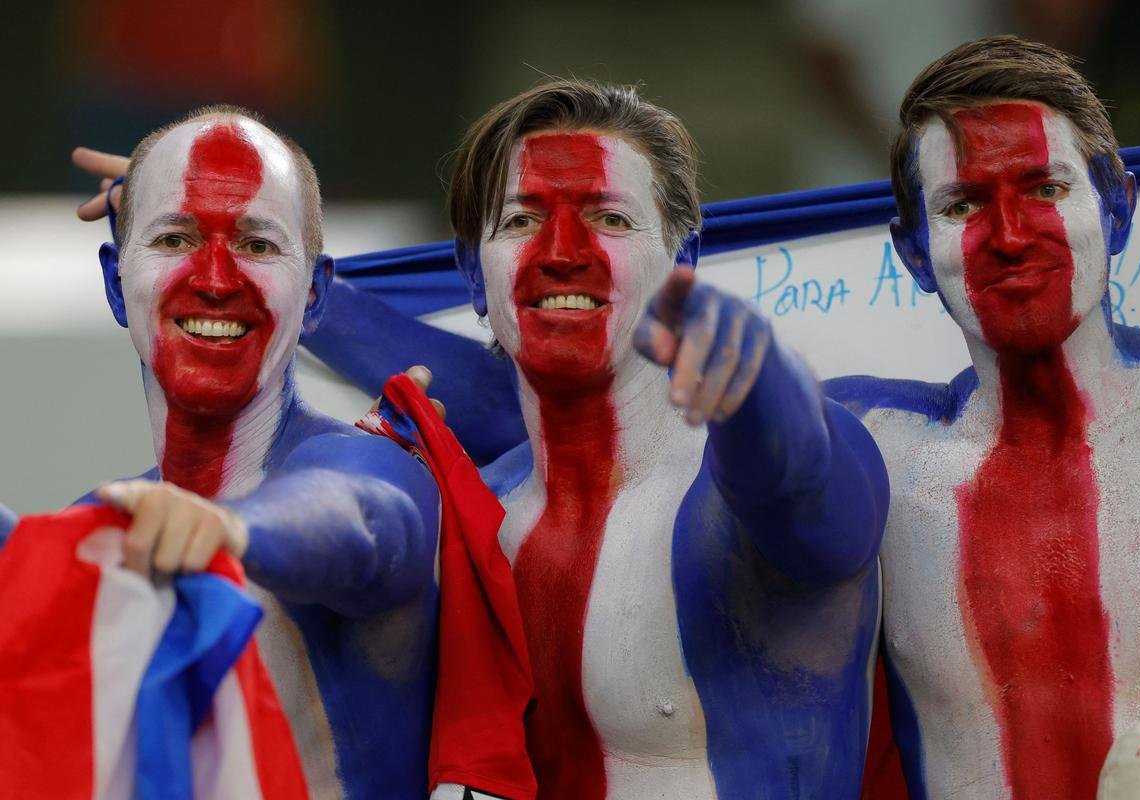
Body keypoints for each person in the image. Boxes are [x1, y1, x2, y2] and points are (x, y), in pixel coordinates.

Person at [74, 83, 892, 796]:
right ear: (474, 273)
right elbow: (495, 405)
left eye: (607, 218)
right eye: (523, 219)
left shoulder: (744, 484)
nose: (562, 253)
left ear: (685, 256)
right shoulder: (474, 512)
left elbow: (800, 483)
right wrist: (212, 225)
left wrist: (763, 380)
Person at [827, 35, 1140, 798]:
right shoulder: (868, 452)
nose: (1007, 237)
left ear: (1117, 206)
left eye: (1042, 189)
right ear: (913, 255)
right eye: (960, 205)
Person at [76, 105, 448, 799]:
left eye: (256, 244)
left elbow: (357, 518)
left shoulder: (370, 464)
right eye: (176, 236)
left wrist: (233, 528)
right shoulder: (91, 531)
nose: (215, 277)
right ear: (114, 284)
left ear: (313, 295)